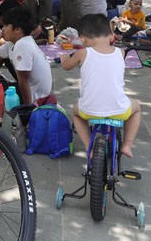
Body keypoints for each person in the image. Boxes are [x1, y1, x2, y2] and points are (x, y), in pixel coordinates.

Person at [61, 14, 142, 158]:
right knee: (136, 109)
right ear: (111, 36)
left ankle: (88, 147)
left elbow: (66, 67)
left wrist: (65, 58)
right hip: (119, 110)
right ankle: (127, 145)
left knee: (75, 113)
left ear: (83, 39)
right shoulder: (121, 52)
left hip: (89, 110)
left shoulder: (82, 53)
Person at [0, 8, 53, 105]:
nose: (3, 29)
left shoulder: (22, 45)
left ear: (17, 29)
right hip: (34, 92)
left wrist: (27, 108)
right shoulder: (15, 42)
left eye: (6, 26)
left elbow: (24, 80)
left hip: (35, 98)